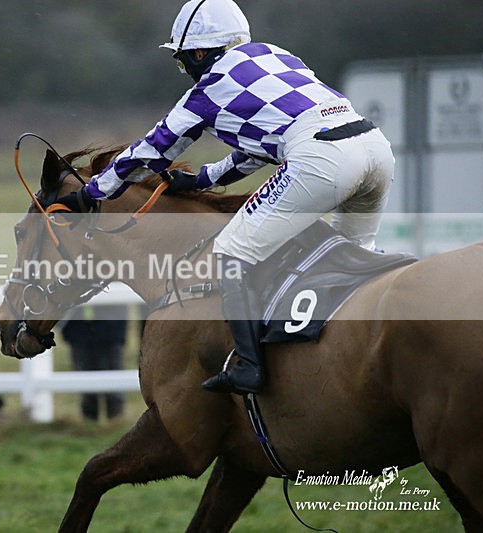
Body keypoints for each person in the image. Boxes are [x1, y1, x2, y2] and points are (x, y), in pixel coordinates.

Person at [46, 0, 394, 395]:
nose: (185, 71)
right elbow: (256, 149)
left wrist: (93, 194)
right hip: (376, 148)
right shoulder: (275, 54)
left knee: (230, 253)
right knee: (352, 255)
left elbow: (152, 151)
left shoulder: (207, 91)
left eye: (183, 61)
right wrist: (199, 182)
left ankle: (249, 366)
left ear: (197, 52)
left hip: (324, 159)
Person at [61, 305, 127, 421]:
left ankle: (115, 420)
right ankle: (90, 421)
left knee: (113, 385)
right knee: (85, 386)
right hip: (78, 331)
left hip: (110, 330)